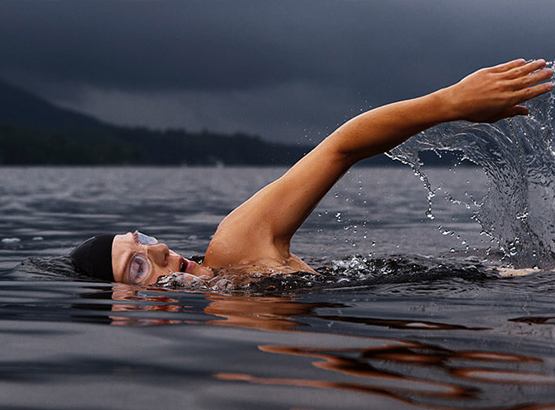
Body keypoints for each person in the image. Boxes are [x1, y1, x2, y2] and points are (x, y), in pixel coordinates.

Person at [70, 59, 554, 285]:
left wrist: (448, 104)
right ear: (124, 311)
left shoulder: (235, 248)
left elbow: (340, 148)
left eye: (143, 239)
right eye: (137, 265)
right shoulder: (232, 346)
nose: (158, 248)